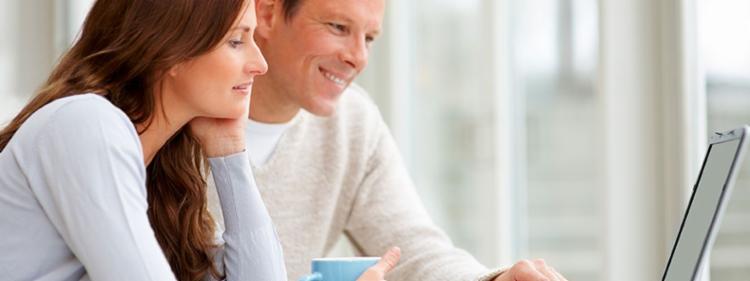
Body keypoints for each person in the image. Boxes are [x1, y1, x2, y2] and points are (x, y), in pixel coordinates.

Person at [0, 0, 400, 280]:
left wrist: (230, 154)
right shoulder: (86, 124)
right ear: (173, 49)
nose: (258, 64)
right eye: (237, 40)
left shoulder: (159, 165)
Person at [207, 0, 570, 280]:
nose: (358, 57)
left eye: (368, 38)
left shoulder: (353, 124)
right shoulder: (183, 113)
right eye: (337, 27)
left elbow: (415, 250)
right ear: (267, 13)